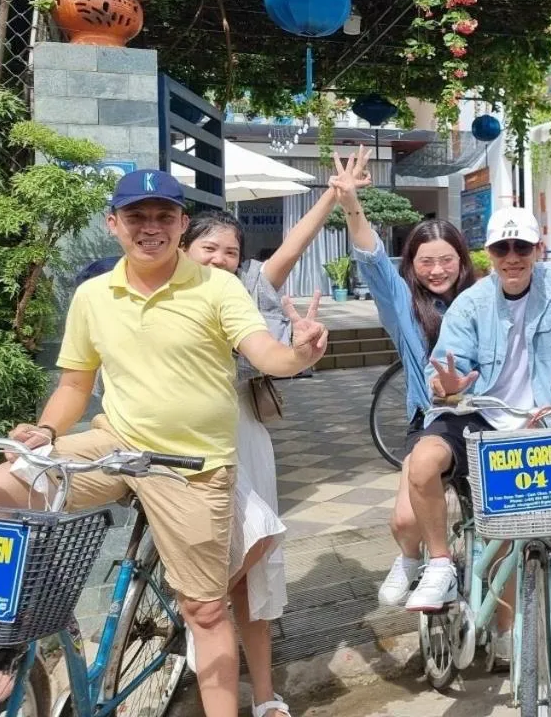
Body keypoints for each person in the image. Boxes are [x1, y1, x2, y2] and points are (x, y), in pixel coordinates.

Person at [0, 170, 329, 717]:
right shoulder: (93, 295)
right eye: (136, 216)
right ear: (113, 224)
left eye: (164, 216)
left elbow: (265, 353)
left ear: (182, 225)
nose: (150, 227)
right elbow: (74, 385)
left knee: (205, 611)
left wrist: (299, 353)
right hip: (113, 444)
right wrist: (45, 432)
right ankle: (5, 638)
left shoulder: (218, 287)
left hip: (192, 467)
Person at [410, 205, 551, 717]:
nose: (512, 257)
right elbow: (445, 368)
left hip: (540, 422)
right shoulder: (472, 302)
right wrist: (447, 386)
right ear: (489, 254)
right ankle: (442, 565)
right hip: (479, 415)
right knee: (423, 463)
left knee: (538, 544)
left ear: (539, 248)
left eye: (522, 247)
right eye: (502, 248)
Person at [179, 149, 365, 717]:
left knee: (253, 571)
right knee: (212, 561)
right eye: (209, 248)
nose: (221, 259)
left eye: (230, 252)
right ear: (185, 249)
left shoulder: (246, 291)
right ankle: (203, 633)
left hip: (242, 434)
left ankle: (264, 695)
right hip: (182, 441)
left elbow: (291, 249)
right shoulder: (164, 298)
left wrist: (333, 194)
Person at [332, 153, 478, 607]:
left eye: (446, 260)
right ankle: (412, 559)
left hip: (486, 419)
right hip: (430, 420)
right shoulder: (402, 303)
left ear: (462, 260)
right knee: (403, 521)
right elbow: (373, 259)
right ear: (412, 265)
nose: (437, 270)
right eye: (425, 262)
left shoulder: (482, 299)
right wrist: (351, 204)